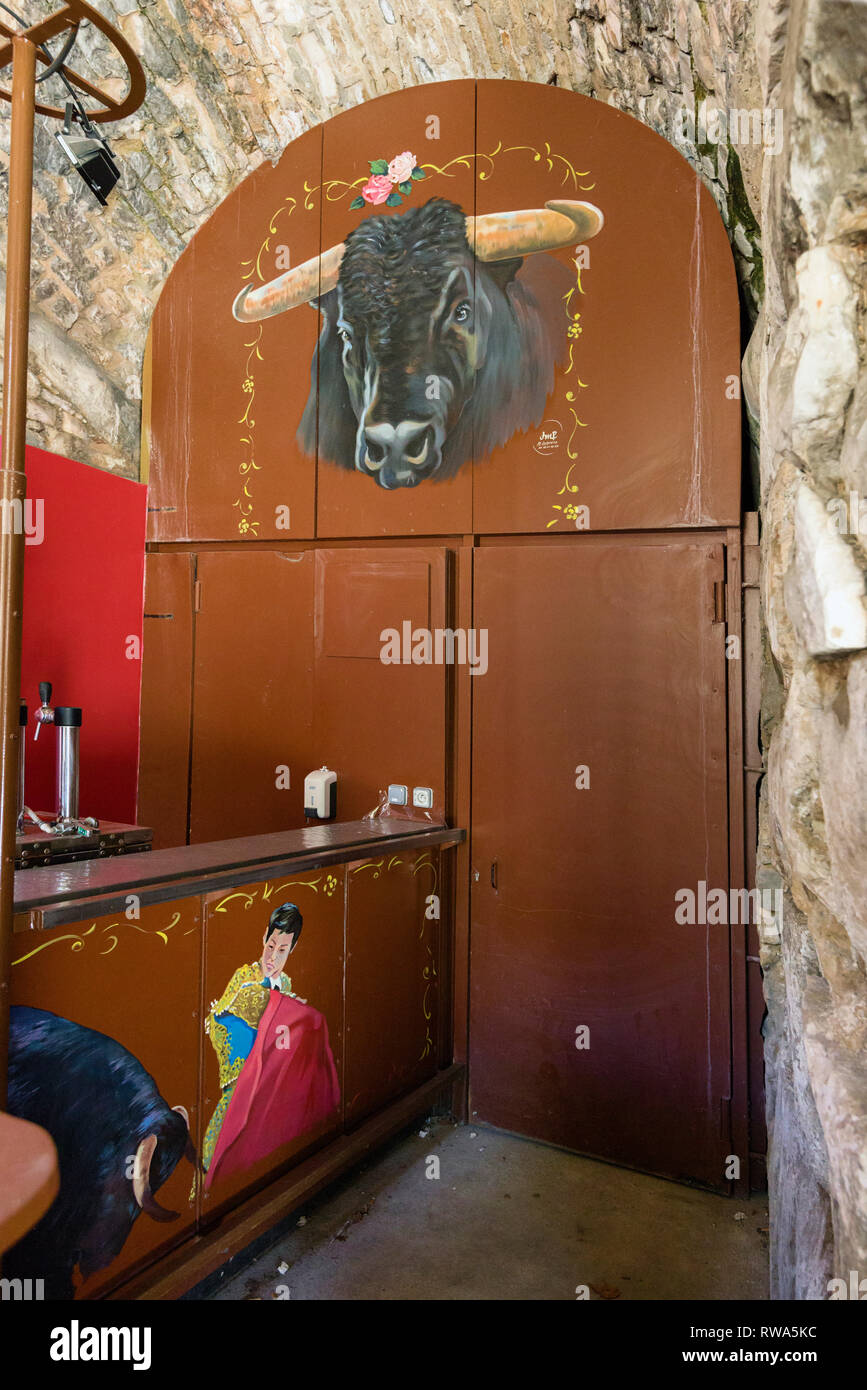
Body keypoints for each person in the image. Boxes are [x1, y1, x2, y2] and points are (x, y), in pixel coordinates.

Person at [200, 902, 340, 1192]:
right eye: (271, 945)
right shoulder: (244, 978)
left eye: (282, 951)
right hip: (243, 1079)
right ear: (264, 936)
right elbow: (217, 1022)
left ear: (293, 949)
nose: (272, 957)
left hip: (270, 1083)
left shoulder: (285, 982)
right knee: (220, 1145)